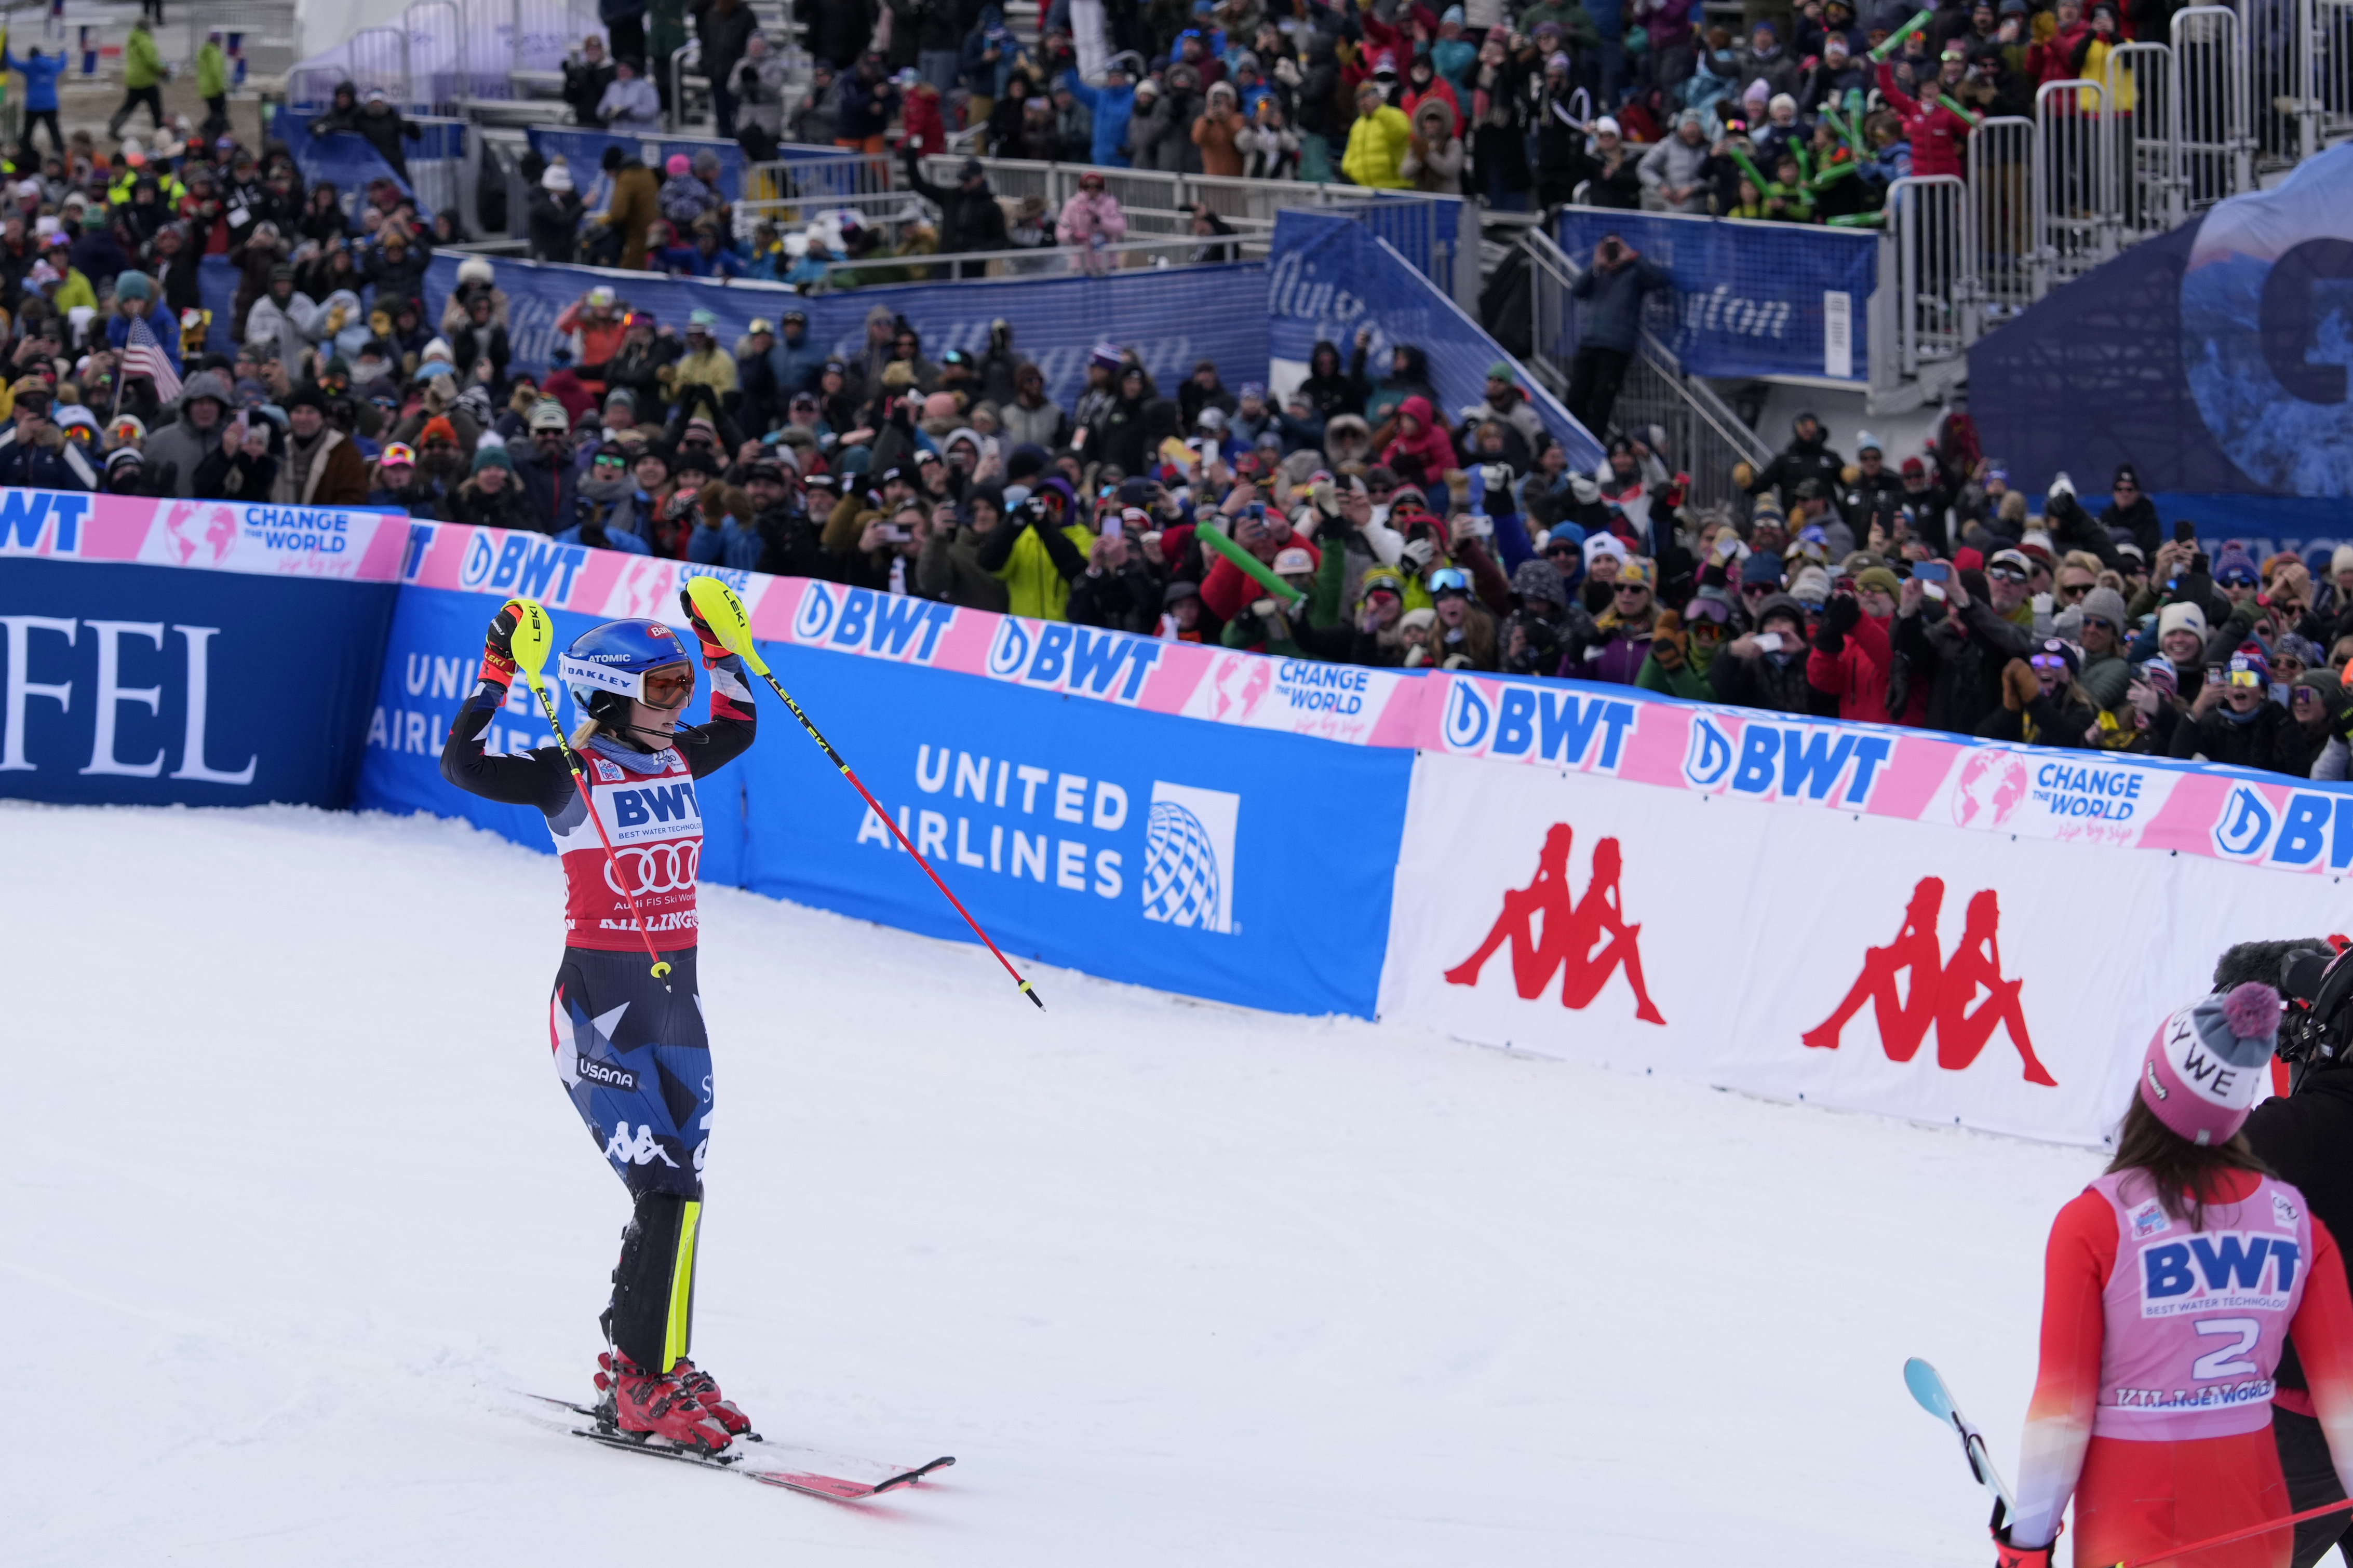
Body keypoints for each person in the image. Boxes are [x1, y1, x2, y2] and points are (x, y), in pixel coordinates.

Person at [440, 596, 758, 1455]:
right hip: (599, 1009)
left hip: (674, 1000)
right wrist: (497, 673)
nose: (682, 703)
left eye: (683, 684)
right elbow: (463, 767)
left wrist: (721, 646)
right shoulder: (566, 772)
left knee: (680, 1189)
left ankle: (646, 1362)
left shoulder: (676, 757)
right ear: (612, 693)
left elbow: (741, 724)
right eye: (664, 686)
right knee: (665, 1187)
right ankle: (644, 1382)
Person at [1997, 983, 2353, 1568]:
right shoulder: (2295, 1223)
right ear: (2241, 1108)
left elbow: (2062, 1413)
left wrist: (2026, 1544)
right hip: (2256, 1517)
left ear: (2152, 1086)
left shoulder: (2094, 1221)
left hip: (2134, 1520)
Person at [1565, 234, 1670, 437]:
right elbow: (1577, 290)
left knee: (1602, 398)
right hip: (1590, 342)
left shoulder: (1634, 273)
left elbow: (1659, 280)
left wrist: (1632, 257)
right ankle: (1572, 438)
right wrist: (1596, 264)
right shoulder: (1597, 273)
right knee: (1576, 395)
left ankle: (1593, 442)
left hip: (1616, 346)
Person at [107, 18, 168, 140]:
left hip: (133, 78)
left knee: (129, 105)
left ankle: (115, 124)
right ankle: (160, 131)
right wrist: (161, 70)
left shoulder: (133, 39)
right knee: (155, 107)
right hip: (145, 80)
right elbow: (151, 61)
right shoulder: (145, 40)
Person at [599, 57, 663, 129]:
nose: (622, 73)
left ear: (633, 71)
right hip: (617, 134)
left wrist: (630, 112)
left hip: (640, 134)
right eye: (620, 70)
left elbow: (652, 110)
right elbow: (600, 110)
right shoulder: (613, 87)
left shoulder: (645, 87)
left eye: (626, 70)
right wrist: (608, 112)